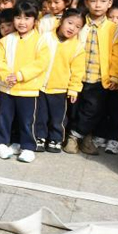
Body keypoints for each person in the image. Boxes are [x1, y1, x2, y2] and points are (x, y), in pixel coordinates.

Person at [63, 0, 118, 154]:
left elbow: (117, 55)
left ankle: (75, 136)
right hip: (76, 76)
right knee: (74, 110)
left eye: (102, 1)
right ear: (86, 2)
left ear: (110, 3)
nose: (98, 5)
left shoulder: (114, 29)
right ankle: (83, 137)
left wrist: (115, 76)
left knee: (93, 110)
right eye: (93, 1)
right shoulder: (79, 23)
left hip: (99, 78)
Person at [0, 0, 49, 163]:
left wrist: (20, 75)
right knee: (4, 118)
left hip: (29, 90)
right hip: (7, 88)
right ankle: (1, 143)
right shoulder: (6, 40)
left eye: (27, 18)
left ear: (35, 21)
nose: (22, 22)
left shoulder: (40, 41)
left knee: (27, 121)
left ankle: (27, 147)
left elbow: (41, 63)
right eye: (18, 17)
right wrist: (6, 75)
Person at [36, 8, 86, 152]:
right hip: (40, 85)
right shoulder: (45, 37)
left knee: (58, 117)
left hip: (60, 88)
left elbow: (78, 71)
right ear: (61, 20)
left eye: (78, 26)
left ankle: (56, 139)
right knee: (40, 114)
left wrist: (74, 89)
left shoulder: (77, 47)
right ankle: (40, 137)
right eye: (70, 23)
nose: (72, 28)